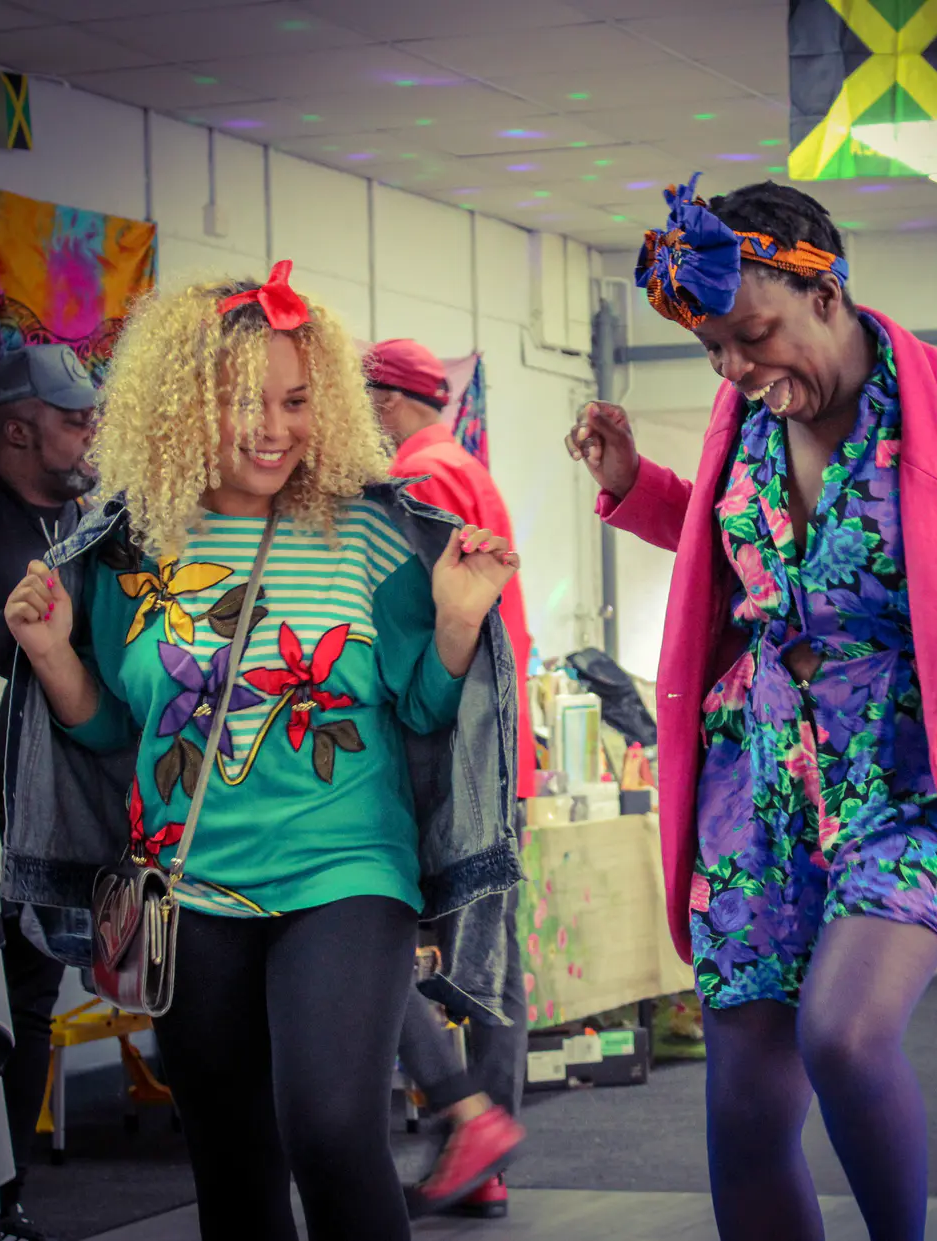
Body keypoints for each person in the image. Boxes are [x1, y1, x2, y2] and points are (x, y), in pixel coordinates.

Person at [566, 177, 937, 1241]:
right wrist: (634, 480)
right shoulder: (746, 419)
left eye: (751, 336)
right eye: (714, 350)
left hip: (909, 772)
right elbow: (741, 549)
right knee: (746, 1105)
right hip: (759, 772)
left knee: (844, 1035)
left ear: (826, 291)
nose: (735, 370)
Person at [0, 262, 522, 1241]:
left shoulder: (369, 535)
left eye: (295, 400)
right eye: (244, 402)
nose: (274, 428)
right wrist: (51, 654)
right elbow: (113, 732)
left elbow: (421, 708)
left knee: (331, 1129)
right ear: (182, 408)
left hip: (347, 870)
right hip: (188, 888)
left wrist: (456, 623)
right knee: (234, 1166)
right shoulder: (129, 552)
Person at [366, 338, 532, 1219]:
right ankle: (483, 1147)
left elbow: (421, 629)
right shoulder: (467, 468)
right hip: (497, 752)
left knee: (374, 946)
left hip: (455, 753)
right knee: (493, 962)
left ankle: (470, 1125)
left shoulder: (416, 480)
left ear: (386, 401)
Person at [0, 344, 99, 1241]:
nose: (90, 433)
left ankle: (7, 1195)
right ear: (17, 430)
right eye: (73, 419)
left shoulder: (86, 522)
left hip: (51, 810)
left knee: (30, 1005)